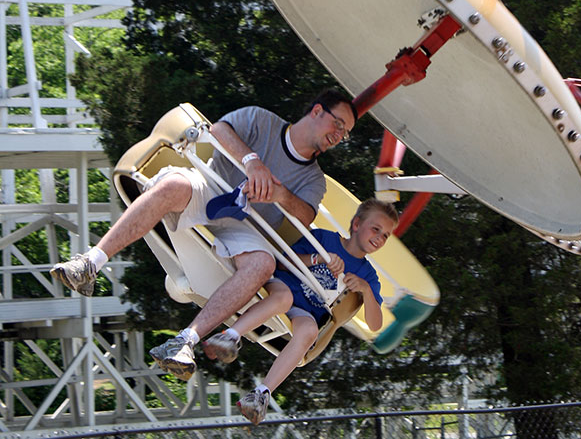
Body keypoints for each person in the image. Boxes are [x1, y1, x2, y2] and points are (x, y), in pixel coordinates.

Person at [50, 89, 357, 381]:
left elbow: (304, 215)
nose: (339, 136)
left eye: (345, 134)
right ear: (317, 111)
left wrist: (279, 194)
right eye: (338, 124)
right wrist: (253, 163)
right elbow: (220, 130)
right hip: (211, 186)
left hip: (245, 225)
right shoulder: (261, 119)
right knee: (172, 186)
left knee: (263, 264)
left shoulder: (314, 179)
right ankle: (90, 263)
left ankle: (186, 341)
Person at [203, 198, 399, 425]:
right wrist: (318, 259)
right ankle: (229, 337)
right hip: (284, 287)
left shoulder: (368, 275)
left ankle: (261, 394)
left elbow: (375, 324)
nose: (380, 238)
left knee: (309, 331)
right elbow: (284, 263)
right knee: (284, 299)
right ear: (356, 224)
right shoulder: (324, 239)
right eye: (376, 229)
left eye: (386, 235)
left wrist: (365, 290)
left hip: (306, 310)